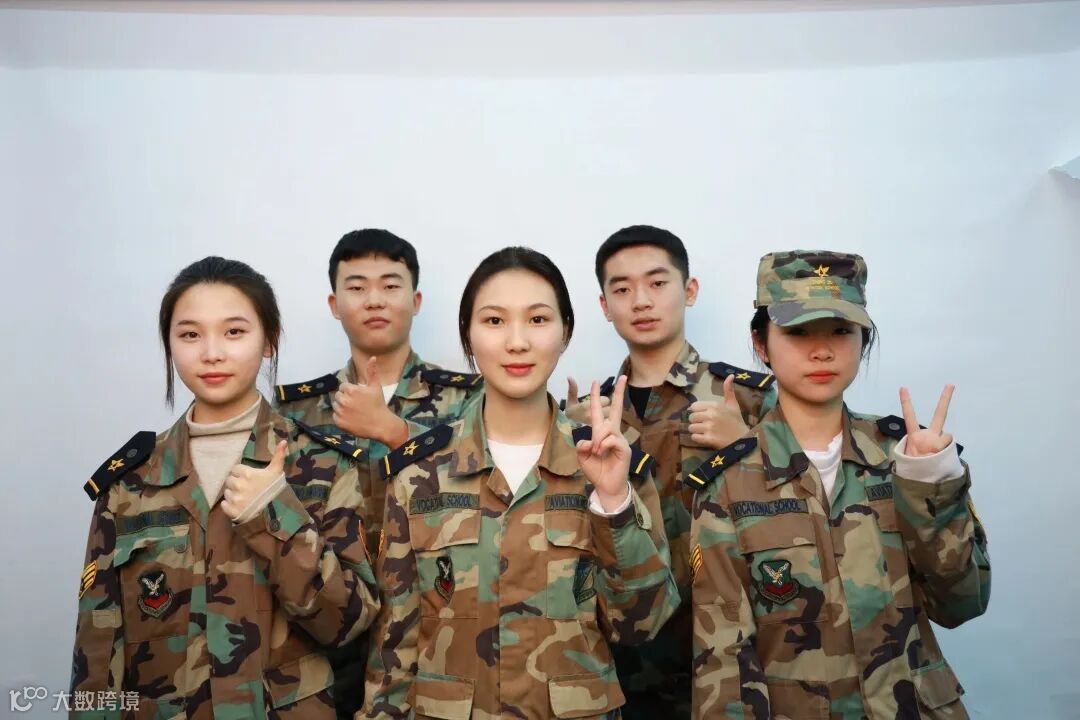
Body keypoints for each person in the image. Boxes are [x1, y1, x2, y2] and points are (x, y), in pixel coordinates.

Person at [363, 247, 680, 719]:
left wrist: (613, 502)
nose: (517, 342)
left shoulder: (614, 464)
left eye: (537, 320)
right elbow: (395, 644)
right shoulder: (418, 473)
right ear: (468, 334)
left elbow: (641, 625)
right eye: (494, 321)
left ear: (565, 331)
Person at [71, 257, 380, 719]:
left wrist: (274, 516)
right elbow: (96, 654)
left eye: (234, 332)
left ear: (269, 340)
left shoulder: (322, 466)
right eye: (190, 335)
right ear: (169, 344)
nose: (211, 353)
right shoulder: (130, 481)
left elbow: (349, 623)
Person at [689, 250, 990, 719]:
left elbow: (962, 604)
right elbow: (723, 659)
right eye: (798, 332)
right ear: (761, 344)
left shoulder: (907, 458)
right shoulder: (727, 483)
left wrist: (931, 485)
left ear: (863, 339)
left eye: (841, 330)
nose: (822, 351)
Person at [566, 225, 775, 717]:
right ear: (604, 306)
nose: (641, 301)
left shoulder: (747, 399)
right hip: (615, 663)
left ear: (690, 290)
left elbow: (808, 511)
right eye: (622, 289)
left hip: (732, 658)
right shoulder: (584, 415)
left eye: (658, 283)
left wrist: (747, 446)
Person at [274, 229, 483, 718]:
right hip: (322, 633)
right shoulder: (296, 411)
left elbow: (487, 491)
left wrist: (395, 431)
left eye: (390, 285)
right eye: (357, 287)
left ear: (416, 300)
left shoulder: (468, 398)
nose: (374, 300)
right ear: (334, 304)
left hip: (436, 623)